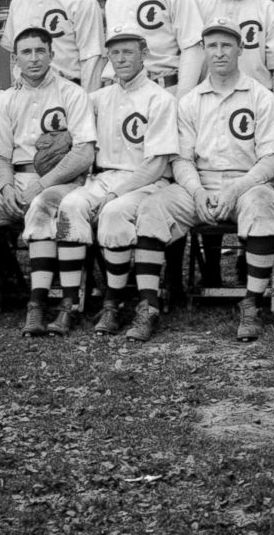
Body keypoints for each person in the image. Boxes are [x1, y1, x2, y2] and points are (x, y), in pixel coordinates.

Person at [0, 27, 97, 336]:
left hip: (59, 182)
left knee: (41, 206)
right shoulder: (7, 98)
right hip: (16, 179)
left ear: (52, 54)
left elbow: (84, 152)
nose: (34, 58)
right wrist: (6, 187)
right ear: (16, 58)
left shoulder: (71, 93)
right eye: (26, 52)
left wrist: (44, 182)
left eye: (40, 51)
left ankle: (37, 306)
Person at [159, 18, 274, 342]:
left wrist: (236, 189)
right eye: (212, 46)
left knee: (262, 207)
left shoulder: (261, 96)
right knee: (154, 207)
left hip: (248, 182)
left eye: (226, 45)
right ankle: (150, 305)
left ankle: (252, 302)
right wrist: (195, 192)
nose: (219, 53)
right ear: (204, 51)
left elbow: (272, 159)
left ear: (240, 49)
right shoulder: (189, 101)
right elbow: (181, 158)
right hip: (199, 183)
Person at [50, 25, 179, 340]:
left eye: (128, 52)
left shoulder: (160, 98)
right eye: (115, 52)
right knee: (70, 205)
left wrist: (116, 192)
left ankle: (113, 301)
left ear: (144, 54)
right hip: (102, 176)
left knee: (113, 212)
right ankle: (69, 303)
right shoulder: (97, 97)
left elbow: (159, 163)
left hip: (145, 180)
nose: (121, 59)